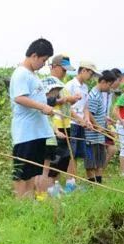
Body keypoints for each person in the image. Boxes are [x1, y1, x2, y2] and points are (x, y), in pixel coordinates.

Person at [8, 38, 55, 199]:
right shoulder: (21, 73)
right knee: (22, 175)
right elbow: (19, 98)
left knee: (33, 172)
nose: (44, 64)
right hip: (25, 134)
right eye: (43, 60)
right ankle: (21, 206)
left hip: (37, 133)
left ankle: (28, 205)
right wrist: (43, 107)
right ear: (34, 55)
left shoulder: (32, 75)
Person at [41, 54, 81, 193]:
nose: (65, 73)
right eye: (63, 70)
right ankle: (50, 188)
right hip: (55, 125)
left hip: (66, 124)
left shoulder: (63, 85)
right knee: (54, 159)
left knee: (64, 157)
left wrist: (78, 118)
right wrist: (66, 99)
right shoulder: (48, 83)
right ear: (55, 66)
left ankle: (56, 185)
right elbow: (46, 102)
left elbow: (67, 108)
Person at [39, 77, 71, 197]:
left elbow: (50, 122)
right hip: (45, 139)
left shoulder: (47, 103)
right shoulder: (43, 104)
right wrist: (56, 132)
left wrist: (56, 131)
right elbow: (44, 121)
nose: (57, 93)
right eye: (55, 90)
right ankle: (42, 194)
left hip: (51, 137)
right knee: (44, 169)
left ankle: (48, 192)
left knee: (48, 167)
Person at [65, 61, 98, 178]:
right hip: (71, 123)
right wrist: (79, 119)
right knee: (71, 154)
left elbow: (85, 106)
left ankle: (73, 179)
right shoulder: (70, 85)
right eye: (91, 73)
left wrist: (87, 120)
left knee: (78, 154)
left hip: (81, 124)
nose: (91, 76)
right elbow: (66, 107)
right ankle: (70, 182)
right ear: (83, 70)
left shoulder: (85, 87)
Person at [84, 70, 117, 183]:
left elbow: (98, 113)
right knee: (91, 163)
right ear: (103, 82)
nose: (109, 87)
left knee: (99, 163)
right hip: (91, 136)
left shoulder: (99, 94)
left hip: (99, 136)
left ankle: (99, 184)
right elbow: (89, 114)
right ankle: (92, 185)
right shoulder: (93, 95)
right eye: (109, 85)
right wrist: (98, 126)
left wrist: (106, 120)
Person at [104, 68, 123, 161]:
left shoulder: (110, 93)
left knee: (112, 149)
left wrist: (108, 119)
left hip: (105, 123)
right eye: (119, 80)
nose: (119, 83)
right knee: (111, 148)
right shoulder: (102, 92)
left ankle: (100, 172)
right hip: (99, 124)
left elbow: (106, 111)